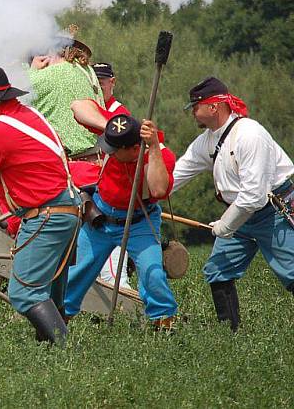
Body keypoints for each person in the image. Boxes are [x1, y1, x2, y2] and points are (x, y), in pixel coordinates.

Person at [0, 67, 81, 346]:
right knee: (49, 292)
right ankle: (53, 359)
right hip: (67, 209)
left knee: (24, 292)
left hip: (47, 214)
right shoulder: (29, 115)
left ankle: (65, 352)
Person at [172, 77, 294, 332]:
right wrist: (148, 193)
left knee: (292, 273)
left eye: (196, 106)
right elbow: (175, 176)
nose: (193, 111)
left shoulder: (250, 134)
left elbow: (254, 196)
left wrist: (225, 225)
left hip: (272, 211)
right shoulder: (206, 141)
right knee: (218, 270)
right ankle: (230, 335)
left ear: (214, 107)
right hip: (239, 215)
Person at [64, 114, 179, 329]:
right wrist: (105, 125)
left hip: (139, 222)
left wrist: (153, 147)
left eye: (115, 149)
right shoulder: (117, 132)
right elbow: (78, 108)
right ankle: (58, 323)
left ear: (135, 149)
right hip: (100, 218)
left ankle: (164, 325)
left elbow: (159, 189)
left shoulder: (161, 156)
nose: (109, 153)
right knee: (77, 272)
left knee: (152, 273)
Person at [70, 62, 134, 290]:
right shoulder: (93, 110)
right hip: (94, 188)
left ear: (112, 83)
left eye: (102, 82)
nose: (98, 87)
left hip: (112, 196)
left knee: (113, 273)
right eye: (93, 83)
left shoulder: (119, 115)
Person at [27, 29, 104, 159]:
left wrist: (33, 71)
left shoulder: (49, 75)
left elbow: (17, 96)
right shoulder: (88, 71)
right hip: (97, 156)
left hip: (74, 162)